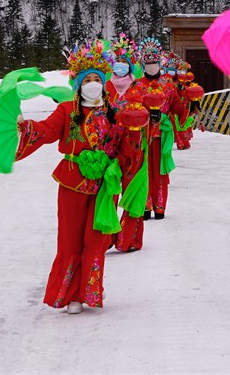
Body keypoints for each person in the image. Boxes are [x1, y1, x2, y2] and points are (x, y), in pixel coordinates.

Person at [14, 47, 145, 313]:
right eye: (87, 80)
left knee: (95, 240)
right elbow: (48, 131)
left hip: (104, 185)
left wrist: (134, 133)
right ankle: (72, 295)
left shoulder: (115, 112)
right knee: (70, 239)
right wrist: (26, 126)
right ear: (77, 84)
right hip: (72, 181)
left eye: (97, 79)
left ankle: (91, 290)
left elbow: (126, 152)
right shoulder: (66, 111)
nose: (93, 85)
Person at [114, 40, 183, 251]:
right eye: (148, 62)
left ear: (160, 64)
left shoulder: (169, 84)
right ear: (143, 65)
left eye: (155, 62)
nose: (152, 65)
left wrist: (188, 102)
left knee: (159, 171)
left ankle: (160, 206)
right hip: (143, 135)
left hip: (162, 135)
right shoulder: (137, 85)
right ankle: (145, 205)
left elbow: (178, 107)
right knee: (143, 170)